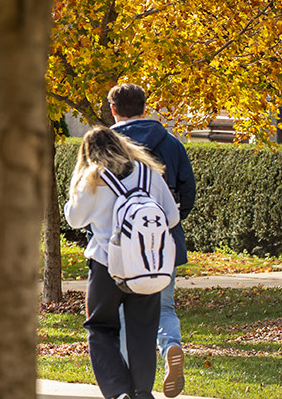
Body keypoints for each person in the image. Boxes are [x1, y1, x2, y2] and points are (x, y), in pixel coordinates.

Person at [65, 128, 180, 399]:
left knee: (100, 327)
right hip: (145, 263)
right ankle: (141, 392)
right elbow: (172, 217)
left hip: (106, 265)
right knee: (143, 329)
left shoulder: (92, 179)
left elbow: (74, 219)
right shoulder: (148, 172)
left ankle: (118, 391)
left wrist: (77, 180)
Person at [107, 83, 195, 398]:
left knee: (121, 313)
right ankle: (171, 345)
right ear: (146, 107)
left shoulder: (108, 146)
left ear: (113, 109)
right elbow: (188, 190)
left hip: (119, 245)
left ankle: (128, 388)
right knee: (165, 306)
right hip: (162, 241)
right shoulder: (170, 143)